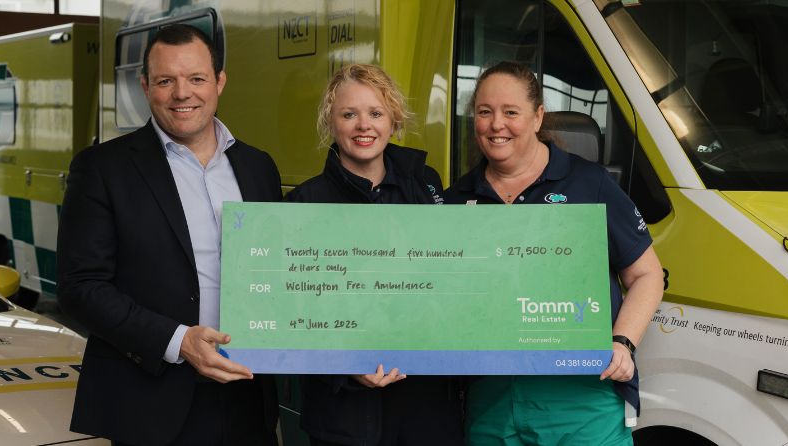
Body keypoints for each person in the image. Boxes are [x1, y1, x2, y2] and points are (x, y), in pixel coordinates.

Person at [57, 24, 281, 446]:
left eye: (196, 78)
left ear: (219, 82)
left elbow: (278, 270)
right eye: (165, 81)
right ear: (145, 87)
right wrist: (179, 342)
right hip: (151, 400)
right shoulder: (103, 169)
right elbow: (80, 287)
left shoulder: (258, 167)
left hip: (248, 394)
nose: (182, 94)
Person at [445, 61, 664, 445]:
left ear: (537, 117)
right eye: (484, 112)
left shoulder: (589, 184)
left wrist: (623, 343)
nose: (496, 125)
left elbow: (647, 275)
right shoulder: (456, 200)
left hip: (582, 396)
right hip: (492, 400)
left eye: (511, 112)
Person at [286, 64, 462, 446]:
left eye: (376, 113)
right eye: (349, 114)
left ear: (394, 120)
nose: (363, 125)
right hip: (345, 419)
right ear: (331, 123)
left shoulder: (427, 185)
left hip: (425, 410)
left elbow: (451, 279)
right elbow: (292, 313)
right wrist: (345, 368)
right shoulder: (304, 203)